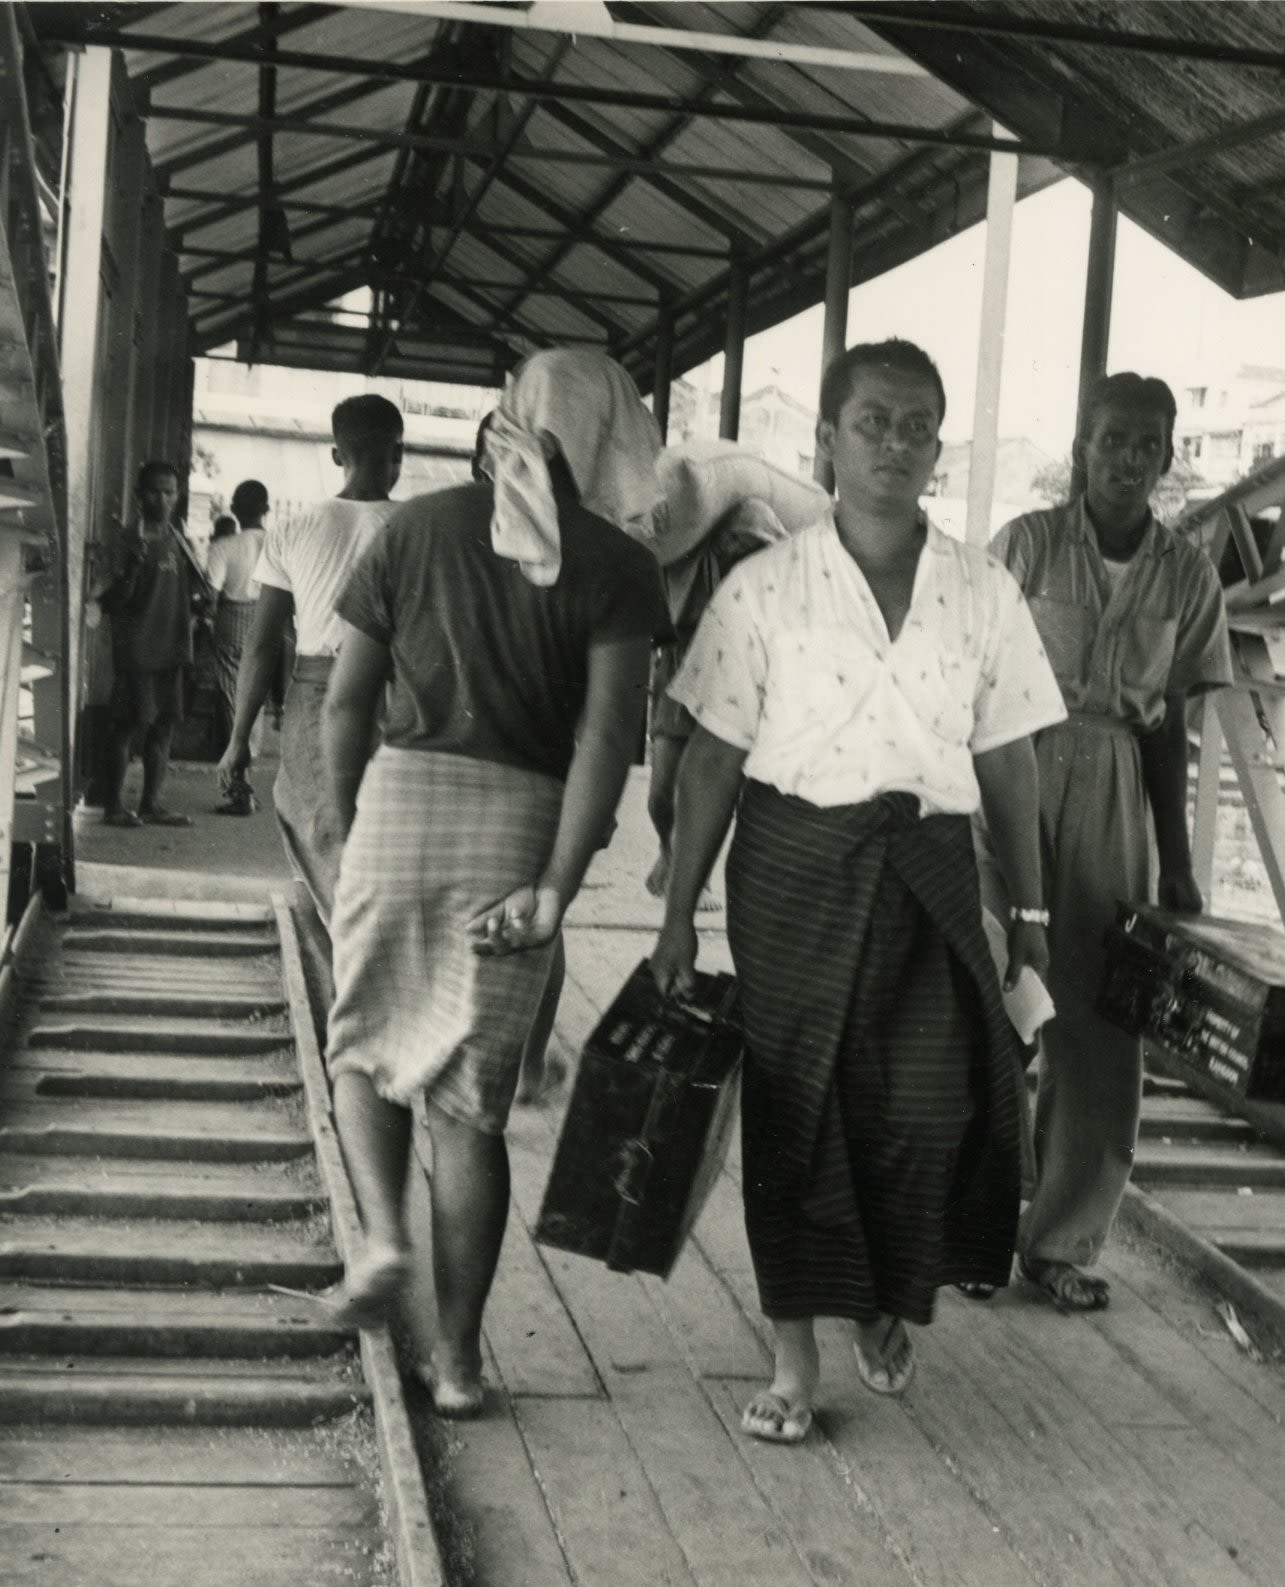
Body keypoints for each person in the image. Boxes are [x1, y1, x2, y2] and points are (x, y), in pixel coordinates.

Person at [649, 338, 1063, 1446]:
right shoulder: (763, 587)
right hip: (792, 870)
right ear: (824, 440)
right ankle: (792, 1356)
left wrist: (1028, 915)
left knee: (929, 1110)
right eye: (871, 421)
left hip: (928, 867)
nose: (894, 443)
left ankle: (884, 1289)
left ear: (940, 444)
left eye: (917, 424)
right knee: (796, 1114)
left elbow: (1011, 761)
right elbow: (710, 761)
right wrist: (677, 914)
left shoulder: (981, 589)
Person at [308, 350, 670, 1417]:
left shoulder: (412, 529)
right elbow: (609, 740)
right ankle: (459, 1365)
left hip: (402, 804)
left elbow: (344, 705)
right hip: (522, 820)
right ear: (612, 437)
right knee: (470, 1108)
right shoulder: (614, 564)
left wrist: (346, 827)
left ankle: (380, 1238)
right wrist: (560, 881)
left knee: (362, 1050)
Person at [988, 372, 1234, 1311]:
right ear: (1080, 446)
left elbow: (1170, 724)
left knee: (1100, 1025)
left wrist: (1174, 859)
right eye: (1110, 441)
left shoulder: (1188, 575)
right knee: (991, 997)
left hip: (1117, 788)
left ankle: (1058, 1244)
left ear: (1167, 459)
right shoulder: (1026, 546)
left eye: (1146, 445)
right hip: (1008, 769)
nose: (1126, 460)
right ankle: (971, 1226)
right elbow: (966, 678)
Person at [219, 396, 405, 918]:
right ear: (399, 451)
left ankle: (345, 959)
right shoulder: (417, 526)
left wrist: (239, 741)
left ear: (335, 454)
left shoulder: (294, 528)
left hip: (317, 691)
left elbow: (260, 645)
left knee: (320, 827)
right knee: (383, 835)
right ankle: (366, 956)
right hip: (399, 695)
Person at [641, 441, 831, 897]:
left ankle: (696, 875)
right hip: (681, 669)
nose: (742, 556)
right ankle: (669, 850)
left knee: (720, 787)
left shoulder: (765, 547)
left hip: (739, 681)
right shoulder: (685, 556)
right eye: (736, 547)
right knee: (661, 792)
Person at [94, 460, 211, 829]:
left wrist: (202, 600)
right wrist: (130, 570)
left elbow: (197, 592)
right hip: (138, 651)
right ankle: (112, 806)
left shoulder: (179, 539)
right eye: (154, 491)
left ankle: (152, 804)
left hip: (173, 650)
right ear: (139, 495)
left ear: (177, 496)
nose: (162, 499)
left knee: (164, 730)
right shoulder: (129, 539)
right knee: (127, 727)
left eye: (169, 492)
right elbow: (111, 602)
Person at [201, 480, 273, 815]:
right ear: (267, 508)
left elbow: (210, 600)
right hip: (269, 622)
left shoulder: (223, 547)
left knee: (233, 699)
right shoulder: (278, 546)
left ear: (234, 508)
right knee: (255, 701)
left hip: (232, 620)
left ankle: (240, 789)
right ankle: (246, 780)